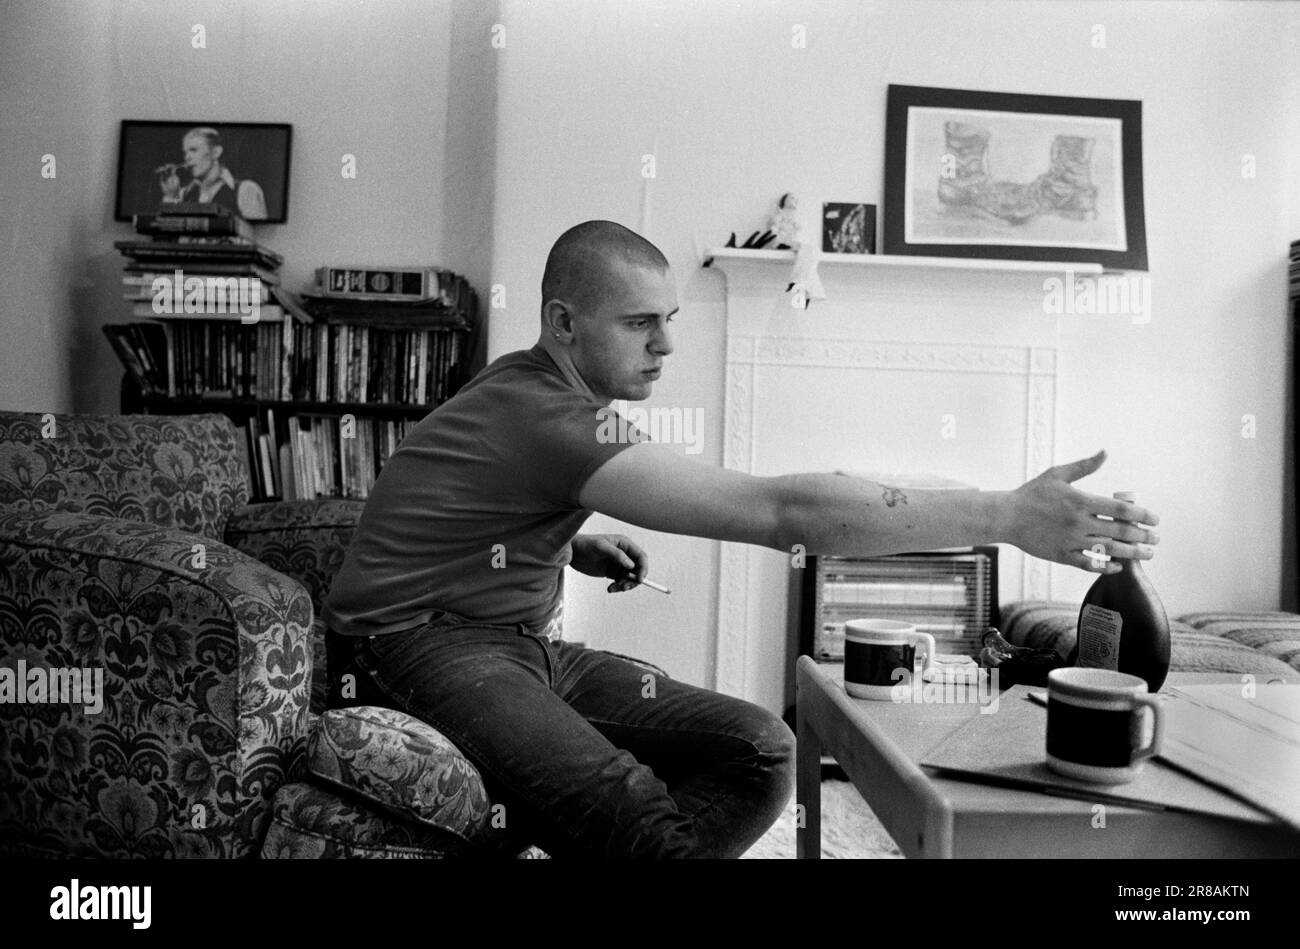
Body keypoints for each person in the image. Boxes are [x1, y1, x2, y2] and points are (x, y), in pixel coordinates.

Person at [321, 220, 1160, 859]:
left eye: (673, 318)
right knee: (635, 814)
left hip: (515, 642)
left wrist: (568, 546)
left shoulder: (532, 389)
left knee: (763, 749)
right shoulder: (547, 416)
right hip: (412, 646)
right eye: (640, 322)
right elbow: (777, 513)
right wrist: (1002, 515)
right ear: (564, 322)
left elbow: (469, 501)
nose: (668, 343)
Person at [158, 127, 268, 220]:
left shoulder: (245, 190)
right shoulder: (184, 195)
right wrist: (171, 195)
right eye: (185, 152)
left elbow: (254, 236)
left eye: (193, 150)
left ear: (216, 152)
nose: (187, 158)